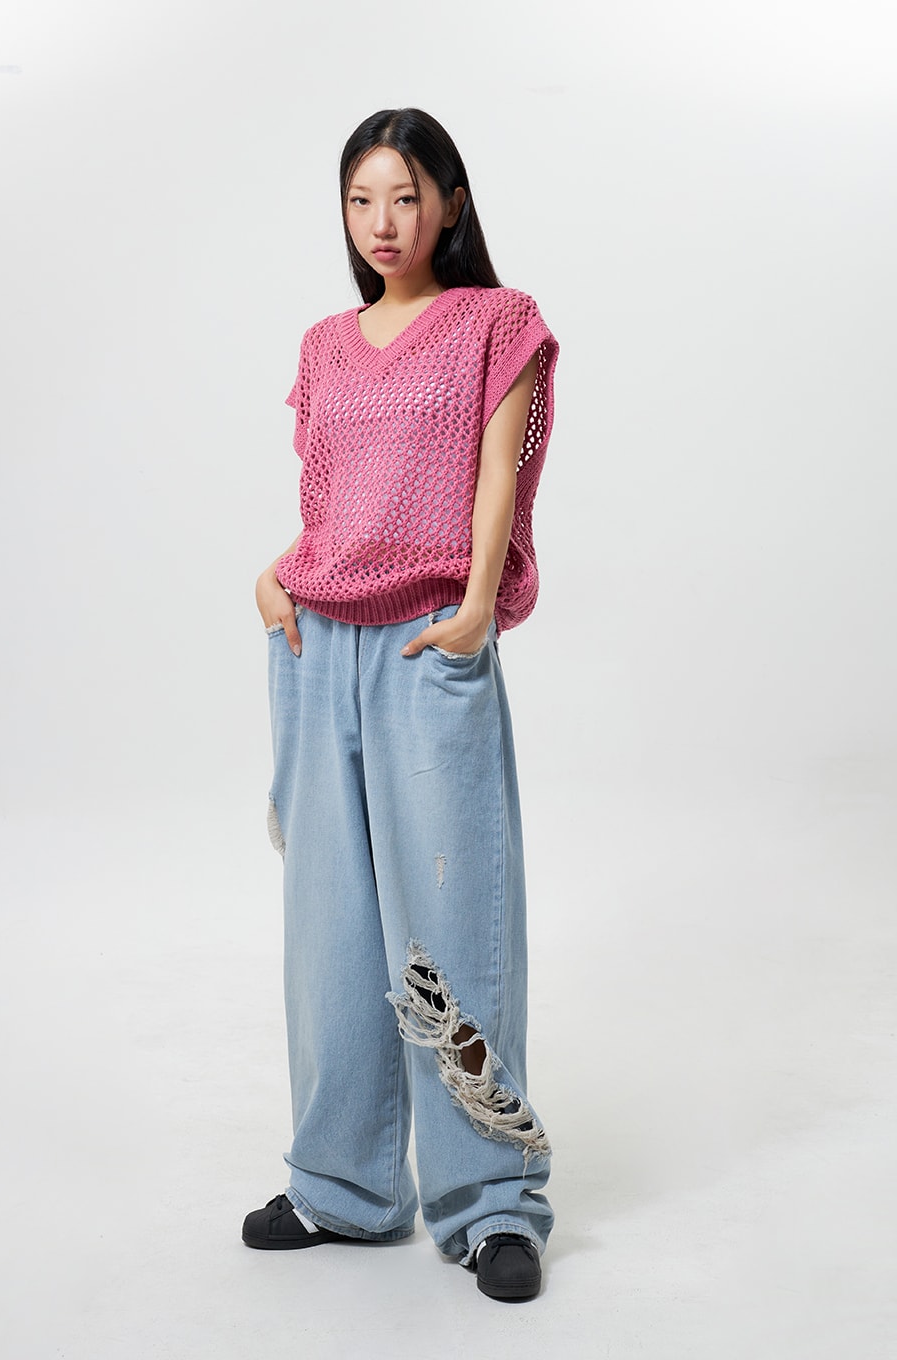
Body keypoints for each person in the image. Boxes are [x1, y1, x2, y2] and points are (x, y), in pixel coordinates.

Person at [243, 107, 559, 1302]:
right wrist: (277, 575)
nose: (383, 222)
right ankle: (341, 1186)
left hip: (430, 640)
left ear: (450, 204)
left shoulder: (494, 322)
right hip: (316, 639)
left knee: (452, 920)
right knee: (330, 927)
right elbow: (334, 502)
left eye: (406, 196)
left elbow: (496, 475)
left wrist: (476, 605)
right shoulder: (326, 344)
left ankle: (491, 1202)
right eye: (361, 199)